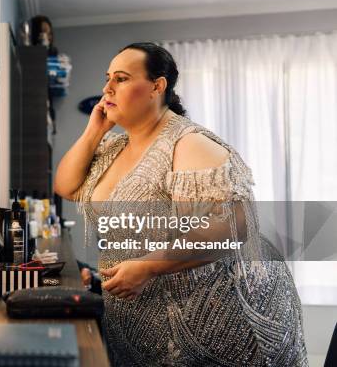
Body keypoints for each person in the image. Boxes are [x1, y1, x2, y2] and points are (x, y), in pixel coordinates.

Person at [54, 43, 307, 366]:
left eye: (121, 78)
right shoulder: (113, 147)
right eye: (108, 79)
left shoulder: (188, 143)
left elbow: (234, 225)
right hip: (143, 322)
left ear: (157, 87)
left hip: (219, 325)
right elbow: (66, 186)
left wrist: (148, 266)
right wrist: (94, 131)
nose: (107, 88)